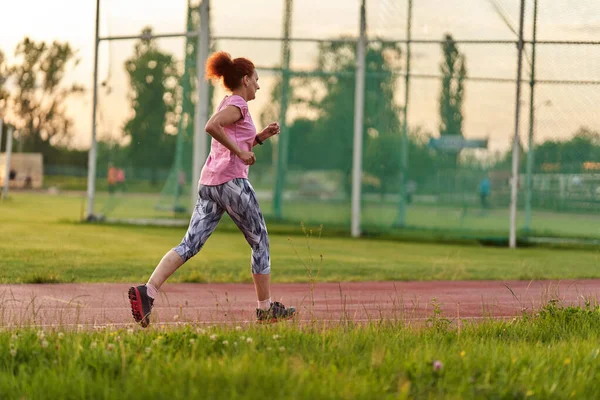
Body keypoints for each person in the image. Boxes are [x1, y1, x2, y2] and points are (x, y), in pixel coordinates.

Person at [128, 51, 295, 327]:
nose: (258, 85)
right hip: (232, 183)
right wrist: (240, 153)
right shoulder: (239, 104)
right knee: (261, 241)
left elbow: (230, 136)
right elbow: (212, 127)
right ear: (245, 79)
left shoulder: (229, 102)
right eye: (256, 79)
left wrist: (258, 138)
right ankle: (265, 309)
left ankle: (148, 291)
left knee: (189, 244)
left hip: (210, 184)